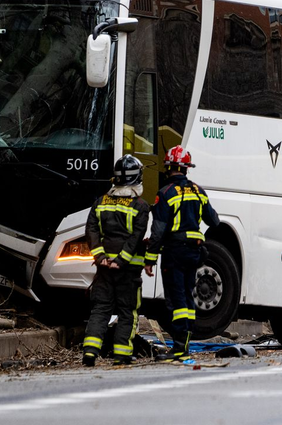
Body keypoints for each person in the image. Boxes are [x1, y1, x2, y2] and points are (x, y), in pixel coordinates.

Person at [145, 145, 219, 361]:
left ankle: (179, 348)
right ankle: (183, 342)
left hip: (174, 253)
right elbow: (214, 221)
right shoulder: (198, 191)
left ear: (168, 168)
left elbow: (158, 231)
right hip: (194, 253)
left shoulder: (165, 193)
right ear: (186, 168)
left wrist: (149, 259)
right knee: (187, 296)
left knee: (176, 299)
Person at [82, 155, 150, 367]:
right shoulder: (140, 206)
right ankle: (122, 355)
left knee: (100, 309)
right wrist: (121, 261)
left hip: (103, 269)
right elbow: (135, 237)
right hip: (127, 271)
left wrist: (100, 257)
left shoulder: (100, 202)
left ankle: (90, 352)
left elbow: (90, 231)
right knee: (127, 312)